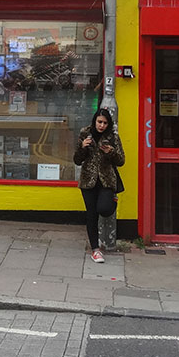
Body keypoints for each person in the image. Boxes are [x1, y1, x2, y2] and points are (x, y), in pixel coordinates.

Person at [74, 108, 125, 263]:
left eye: (104, 123)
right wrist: (83, 147)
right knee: (91, 214)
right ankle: (95, 250)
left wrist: (111, 152)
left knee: (104, 209)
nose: (101, 125)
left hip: (106, 180)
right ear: (94, 121)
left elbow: (121, 160)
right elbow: (77, 160)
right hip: (88, 181)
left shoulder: (112, 137)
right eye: (99, 122)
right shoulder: (85, 134)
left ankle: (113, 201)